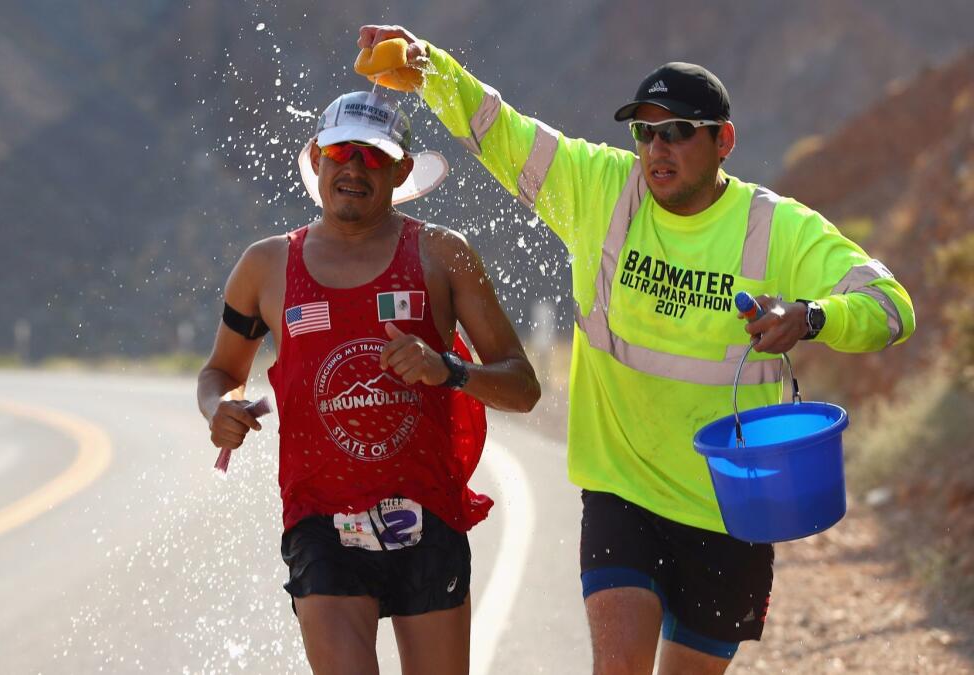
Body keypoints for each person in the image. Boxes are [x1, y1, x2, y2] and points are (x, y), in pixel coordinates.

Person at [356, 25, 916, 675]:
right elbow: (499, 128)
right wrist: (428, 66)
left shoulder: (778, 228)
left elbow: (891, 306)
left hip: (732, 509)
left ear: (722, 141)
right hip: (622, 491)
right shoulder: (599, 189)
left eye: (677, 130)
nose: (657, 148)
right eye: (645, 132)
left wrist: (811, 316)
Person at [196, 89, 541, 675]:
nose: (355, 168)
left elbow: (523, 386)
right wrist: (219, 410)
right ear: (316, 157)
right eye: (341, 152)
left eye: (375, 156)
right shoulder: (266, 266)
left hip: (427, 513)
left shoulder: (442, 255)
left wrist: (450, 369)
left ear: (402, 169)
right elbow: (220, 373)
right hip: (320, 519)